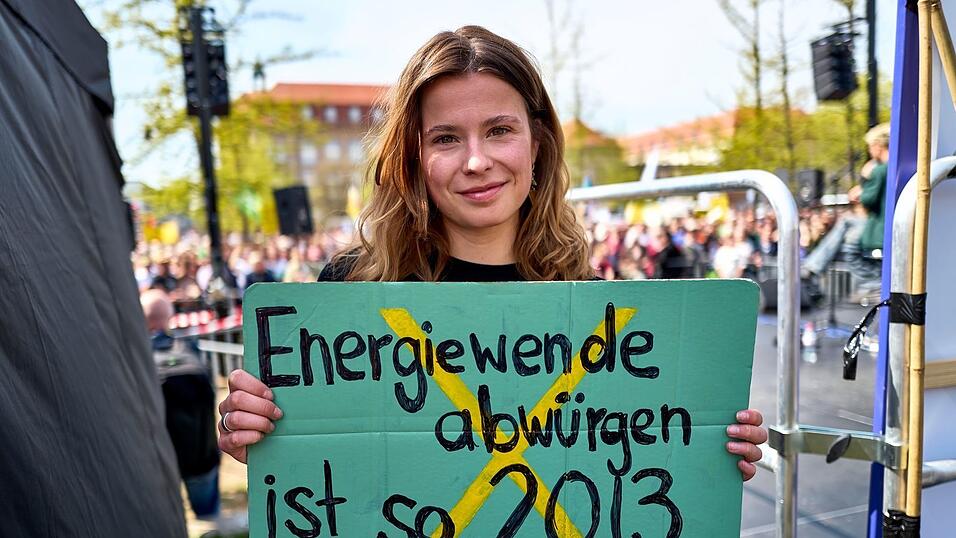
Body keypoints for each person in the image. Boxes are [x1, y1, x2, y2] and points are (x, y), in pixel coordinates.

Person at [218, 25, 767, 481]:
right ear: (414, 158)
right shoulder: (348, 295)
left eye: (499, 130)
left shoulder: (592, 305)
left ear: (537, 142)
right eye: (446, 138)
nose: (476, 161)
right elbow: (322, 470)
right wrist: (261, 434)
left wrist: (707, 451)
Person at [141, 289, 221, 521]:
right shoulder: (191, 350)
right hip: (201, 455)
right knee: (209, 521)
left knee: (163, 522)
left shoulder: (136, 360)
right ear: (169, 317)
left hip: (158, 460)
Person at [802, 123, 890, 287]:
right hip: (883, 225)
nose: (869, 151)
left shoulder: (880, 170)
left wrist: (862, 185)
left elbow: (869, 200)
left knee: (846, 227)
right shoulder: (891, 168)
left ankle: (813, 267)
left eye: (870, 146)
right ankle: (812, 266)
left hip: (878, 227)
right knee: (847, 229)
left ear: (878, 146)